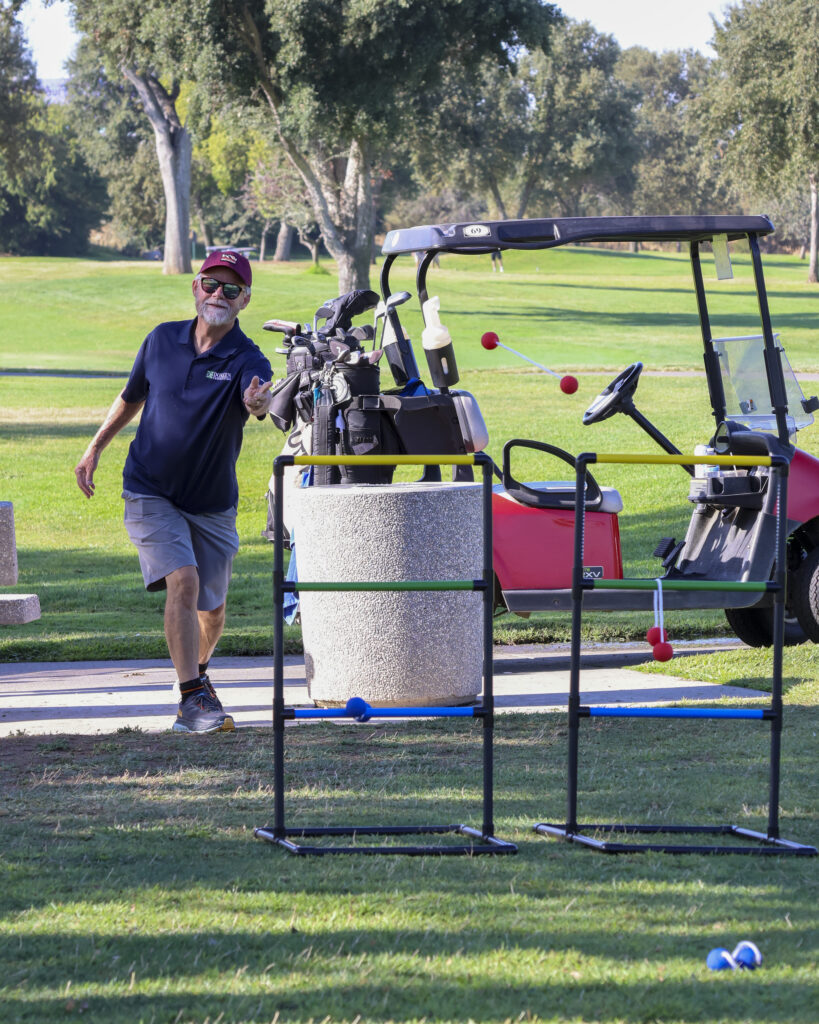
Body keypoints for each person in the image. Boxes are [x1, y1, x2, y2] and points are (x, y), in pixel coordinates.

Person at [75, 250, 273, 734]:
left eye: (230, 290)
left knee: (213, 608)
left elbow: (259, 398)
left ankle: (197, 677)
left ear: (244, 299)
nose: (218, 296)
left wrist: (257, 402)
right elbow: (131, 397)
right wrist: (95, 448)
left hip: (212, 502)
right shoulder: (161, 339)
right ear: (195, 287)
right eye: (211, 284)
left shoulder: (247, 358)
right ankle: (190, 702)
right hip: (150, 488)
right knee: (182, 582)